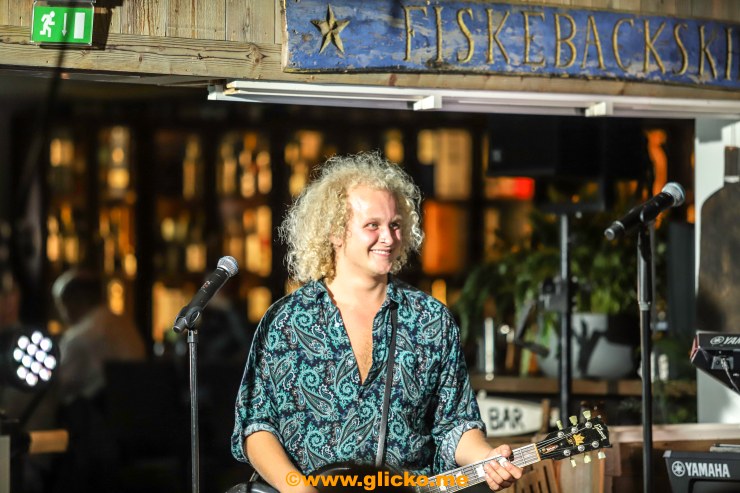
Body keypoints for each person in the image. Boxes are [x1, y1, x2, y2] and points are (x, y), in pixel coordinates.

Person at [231, 152, 522, 492]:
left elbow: (455, 424)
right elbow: (256, 426)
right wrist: (300, 490)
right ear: (335, 232)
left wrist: (485, 457)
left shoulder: (430, 320)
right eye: (373, 225)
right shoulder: (288, 320)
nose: (389, 237)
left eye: (395, 225)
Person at [52, 269, 146, 405]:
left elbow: (60, 384)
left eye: (61, 306)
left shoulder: (80, 336)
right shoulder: (124, 322)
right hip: (137, 407)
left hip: (101, 412)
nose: (62, 315)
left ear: (74, 301)